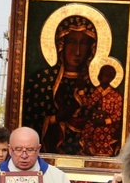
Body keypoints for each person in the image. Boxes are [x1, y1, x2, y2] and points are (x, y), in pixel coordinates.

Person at [22, 15, 97, 155]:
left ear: (92, 48)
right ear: (61, 44)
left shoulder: (94, 86)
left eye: (84, 43)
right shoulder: (41, 80)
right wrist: (54, 119)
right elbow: (29, 123)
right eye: (72, 42)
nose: (78, 51)